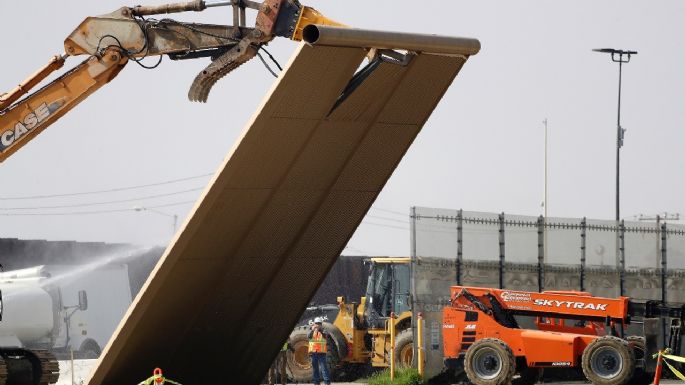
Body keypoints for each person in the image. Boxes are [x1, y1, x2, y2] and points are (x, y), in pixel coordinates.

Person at [308, 317, 331, 385]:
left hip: (322, 354)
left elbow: (326, 336)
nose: (317, 325)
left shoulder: (324, 331)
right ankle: (316, 383)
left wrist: (319, 331)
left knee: (324, 369)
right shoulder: (312, 331)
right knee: (315, 370)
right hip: (313, 353)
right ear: (314, 324)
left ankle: (327, 383)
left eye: (319, 323)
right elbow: (308, 336)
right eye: (316, 323)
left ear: (321, 324)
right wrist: (313, 330)